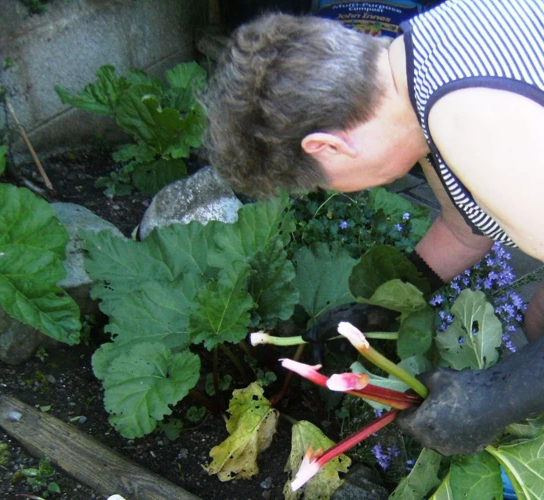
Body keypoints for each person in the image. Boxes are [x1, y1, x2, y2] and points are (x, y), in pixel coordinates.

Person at [201, 0, 544, 457]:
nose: (333, 191)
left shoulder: (472, 122)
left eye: (319, 181)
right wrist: (386, 304)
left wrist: (498, 395)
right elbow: (470, 225)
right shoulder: (418, 67)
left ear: (326, 146)